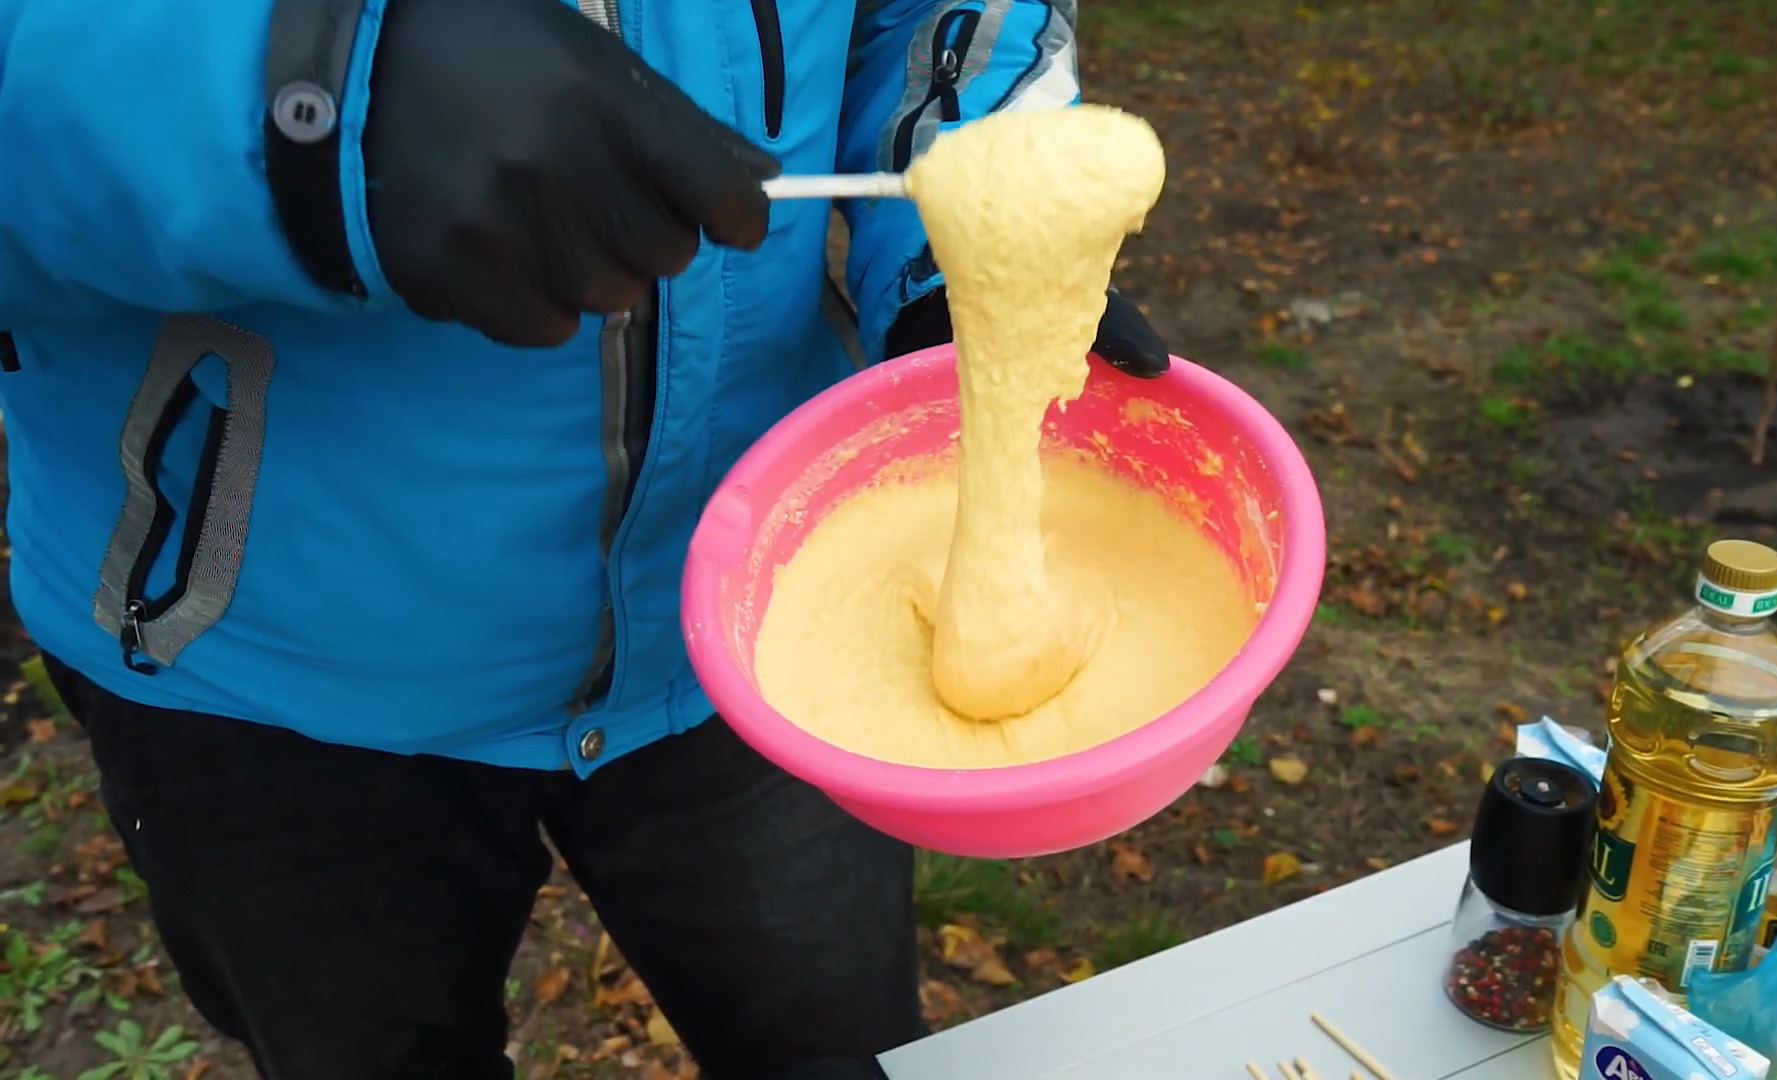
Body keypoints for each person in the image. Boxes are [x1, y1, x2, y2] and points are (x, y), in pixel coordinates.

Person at [0, 0, 1169, 1076]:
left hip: (766, 610)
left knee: (832, 1053)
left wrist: (952, 249)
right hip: (264, 672)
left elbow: (933, 15)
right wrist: (291, 100)